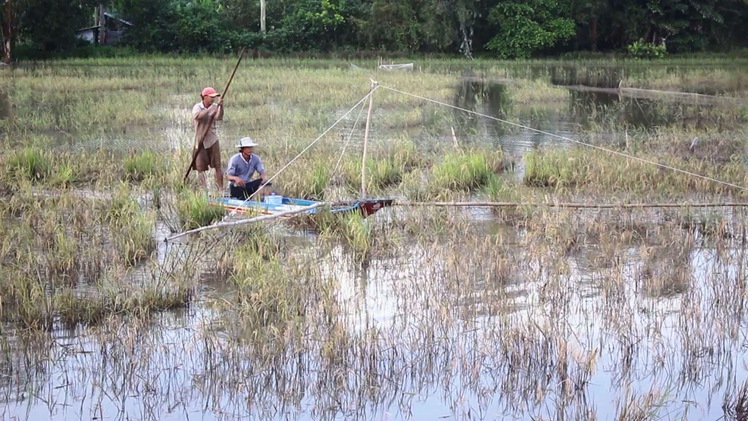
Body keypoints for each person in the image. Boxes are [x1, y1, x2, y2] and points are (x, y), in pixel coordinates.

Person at [192, 86, 224, 189]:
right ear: (205, 97)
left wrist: (220, 106)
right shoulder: (197, 107)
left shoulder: (214, 106)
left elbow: (219, 117)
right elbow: (197, 116)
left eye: (214, 97)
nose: (213, 99)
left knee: (217, 166)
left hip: (212, 140)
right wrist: (208, 109)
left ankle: (220, 189)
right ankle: (203, 190)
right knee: (201, 168)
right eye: (211, 97)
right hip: (200, 141)